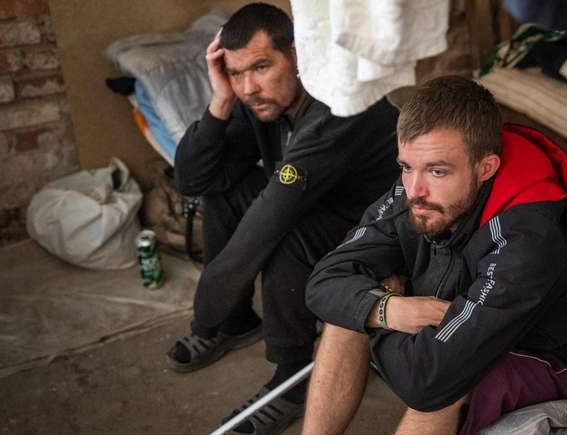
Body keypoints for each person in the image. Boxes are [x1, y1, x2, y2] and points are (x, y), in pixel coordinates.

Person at [303, 76, 567, 435]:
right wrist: (387, 309)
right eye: (406, 166)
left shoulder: (529, 237)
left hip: (558, 358)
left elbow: (425, 382)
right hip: (462, 316)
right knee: (353, 307)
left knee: (444, 387)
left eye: (437, 171)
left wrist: (375, 313)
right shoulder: (417, 193)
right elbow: (324, 281)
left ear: (485, 168)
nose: (415, 190)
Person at [167, 3, 399, 433]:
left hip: (383, 231)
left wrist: (204, 310)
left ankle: (293, 375)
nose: (249, 86)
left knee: (282, 230)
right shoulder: (255, 99)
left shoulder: (336, 107)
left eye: (260, 66)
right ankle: (235, 324)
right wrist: (220, 101)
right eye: (235, 73)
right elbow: (193, 179)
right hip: (318, 204)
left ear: (296, 55)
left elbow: (270, 218)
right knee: (227, 192)